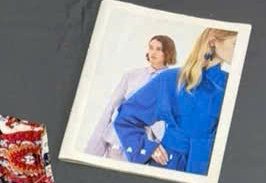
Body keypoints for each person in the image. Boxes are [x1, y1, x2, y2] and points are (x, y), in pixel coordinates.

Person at [114, 26, 238, 175]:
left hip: (213, 170)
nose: (240, 50)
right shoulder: (171, 78)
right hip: (170, 166)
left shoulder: (233, 86)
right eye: (235, 44)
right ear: (213, 42)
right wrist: (147, 147)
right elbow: (127, 117)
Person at [83, 34, 176, 160]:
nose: (153, 52)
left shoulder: (173, 81)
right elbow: (110, 108)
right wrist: (93, 152)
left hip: (150, 146)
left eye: (158, 49)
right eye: (151, 47)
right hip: (119, 140)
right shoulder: (132, 75)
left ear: (168, 52)